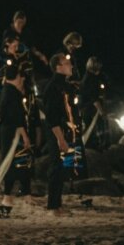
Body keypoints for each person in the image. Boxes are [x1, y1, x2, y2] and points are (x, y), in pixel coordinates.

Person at [43, 53, 86, 215]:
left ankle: (57, 204)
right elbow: (52, 117)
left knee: (63, 168)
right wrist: (60, 139)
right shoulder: (53, 87)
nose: (71, 66)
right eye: (67, 63)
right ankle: (53, 206)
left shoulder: (65, 86)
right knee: (56, 167)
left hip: (67, 131)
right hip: (58, 132)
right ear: (58, 67)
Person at [0, 62, 33, 208]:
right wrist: (25, 136)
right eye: (20, 76)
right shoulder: (11, 92)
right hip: (13, 133)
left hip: (10, 131)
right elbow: (17, 117)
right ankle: (7, 196)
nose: (22, 79)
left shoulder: (7, 90)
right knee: (12, 163)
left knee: (22, 161)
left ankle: (26, 194)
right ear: (16, 77)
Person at [79, 56, 109, 149]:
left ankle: (96, 146)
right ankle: (93, 148)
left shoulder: (92, 77)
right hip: (89, 109)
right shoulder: (90, 79)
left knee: (93, 129)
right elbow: (93, 98)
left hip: (89, 108)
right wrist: (101, 111)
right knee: (91, 129)